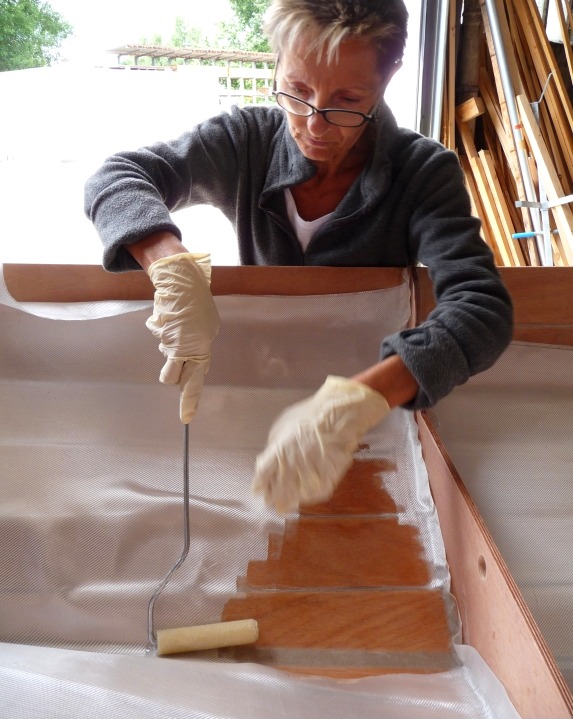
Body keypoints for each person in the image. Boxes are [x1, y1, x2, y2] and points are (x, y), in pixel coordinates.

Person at [84, 0, 513, 513]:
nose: (313, 123)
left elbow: (482, 308)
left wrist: (354, 406)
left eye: (346, 100)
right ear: (277, 63)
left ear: (389, 76)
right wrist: (170, 264)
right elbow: (117, 177)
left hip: (373, 426)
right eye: (297, 91)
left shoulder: (422, 173)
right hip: (258, 394)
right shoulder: (245, 142)